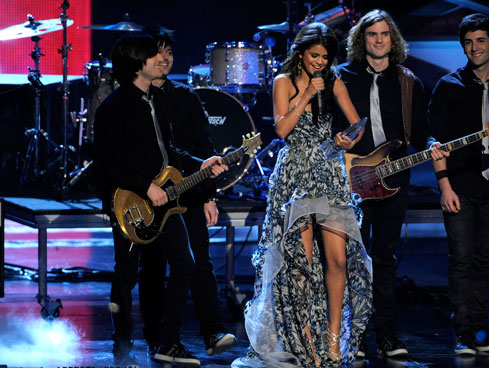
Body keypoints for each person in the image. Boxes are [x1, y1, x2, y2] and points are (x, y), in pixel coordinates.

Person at [239, 22, 373, 367]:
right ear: (300, 53)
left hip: (328, 172)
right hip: (295, 174)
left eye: (326, 58)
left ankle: (333, 339)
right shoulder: (283, 82)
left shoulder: (334, 81)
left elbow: (358, 126)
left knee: (338, 258)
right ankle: (307, 342)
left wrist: (348, 139)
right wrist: (307, 95)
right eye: (315, 56)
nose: (320, 63)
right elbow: (282, 128)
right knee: (302, 264)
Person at [93, 33, 227, 366]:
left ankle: (168, 341)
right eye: (153, 55)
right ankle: (122, 343)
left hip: (163, 201)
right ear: (137, 63)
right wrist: (143, 185)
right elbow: (106, 162)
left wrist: (201, 165)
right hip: (129, 202)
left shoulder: (159, 99)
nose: (161, 60)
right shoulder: (115, 106)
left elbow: (169, 153)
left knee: (185, 262)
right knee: (128, 272)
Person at [336, 9, 447, 359]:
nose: (379, 39)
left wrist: (430, 143)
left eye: (385, 34)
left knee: (384, 259)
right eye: (372, 34)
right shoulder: (342, 77)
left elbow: (418, 129)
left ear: (393, 39)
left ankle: (386, 336)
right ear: (361, 39)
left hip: (393, 181)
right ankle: (352, 338)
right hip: (350, 178)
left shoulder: (408, 81)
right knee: (351, 261)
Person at [428, 13, 489, 355]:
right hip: (461, 185)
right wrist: (445, 187)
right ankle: (464, 333)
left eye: (481, 41)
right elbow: (435, 142)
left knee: (484, 259)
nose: (474, 48)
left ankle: (478, 329)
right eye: (468, 42)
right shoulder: (448, 86)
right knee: (462, 258)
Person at [137, 25, 237, 359]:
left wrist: (210, 195)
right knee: (154, 266)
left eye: (169, 52)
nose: (164, 59)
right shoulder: (137, 97)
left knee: (200, 262)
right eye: (157, 52)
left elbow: (204, 146)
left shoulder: (185, 97)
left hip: (191, 193)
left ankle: (212, 332)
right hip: (153, 196)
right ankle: (158, 337)